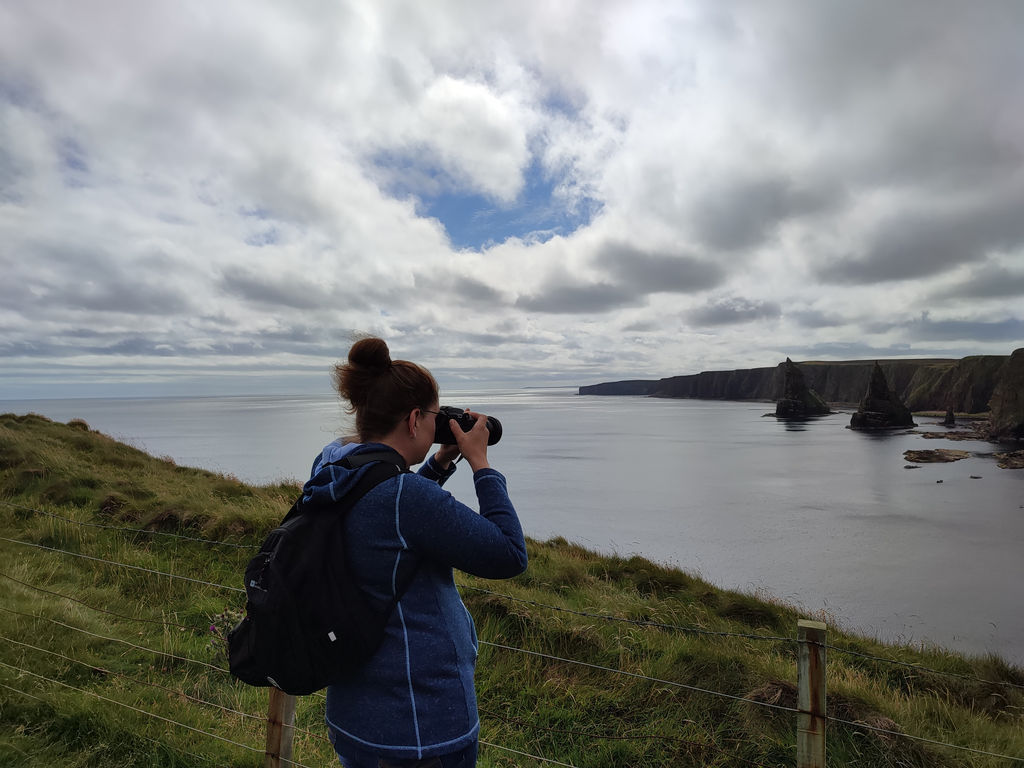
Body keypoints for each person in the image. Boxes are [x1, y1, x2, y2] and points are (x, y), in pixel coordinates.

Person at [303, 336, 528, 768]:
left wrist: (439, 463)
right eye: (433, 417)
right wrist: (481, 464)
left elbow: (387, 508)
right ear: (412, 420)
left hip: (354, 714)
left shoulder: (332, 464)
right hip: (419, 729)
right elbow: (509, 554)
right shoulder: (405, 499)